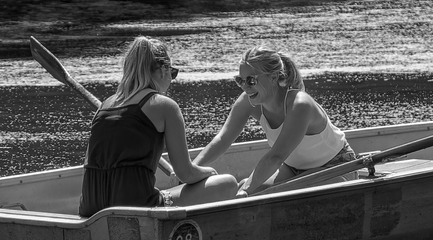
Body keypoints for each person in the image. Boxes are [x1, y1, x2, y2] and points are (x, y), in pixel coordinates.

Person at [78, 37, 240, 217]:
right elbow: (186, 173)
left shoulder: (105, 106)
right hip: (136, 206)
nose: (172, 79)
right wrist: (209, 172)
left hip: (90, 208)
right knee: (227, 183)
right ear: (163, 70)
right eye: (173, 72)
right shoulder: (164, 106)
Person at [195, 46, 355, 195]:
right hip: (293, 168)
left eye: (251, 80)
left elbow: (275, 157)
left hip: (337, 166)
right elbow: (222, 139)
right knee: (249, 188)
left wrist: (244, 192)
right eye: (240, 80)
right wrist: (192, 169)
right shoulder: (248, 101)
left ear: (273, 77)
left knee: (259, 192)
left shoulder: (300, 104)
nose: (245, 86)